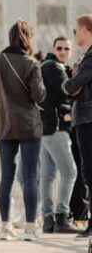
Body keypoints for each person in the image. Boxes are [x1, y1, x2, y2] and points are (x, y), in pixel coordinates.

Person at [0, 20, 46, 241]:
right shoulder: (31, 64)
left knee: (6, 177)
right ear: (28, 39)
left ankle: (5, 227)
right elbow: (38, 95)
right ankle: (30, 228)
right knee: (30, 177)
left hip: (5, 126)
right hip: (29, 126)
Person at [39, 37, 82, 233]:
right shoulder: (55, 67)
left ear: (70, 51)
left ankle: (48, 220)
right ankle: (62, 218)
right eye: (59, 48)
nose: (63, 52)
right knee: (70, 172)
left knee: (48, 176)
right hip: (56, 128)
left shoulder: (45, 66)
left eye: (66, 49)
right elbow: (69, 90)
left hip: (44, 129)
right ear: (53, 49)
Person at [63, 14, 92, 239]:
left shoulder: (89, 59)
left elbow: (72, 86)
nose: (75, 35)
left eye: (76, 31)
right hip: (85, 118)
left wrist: (68, 82)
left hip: (87, 119)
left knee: (89, 172)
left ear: (85, 31)